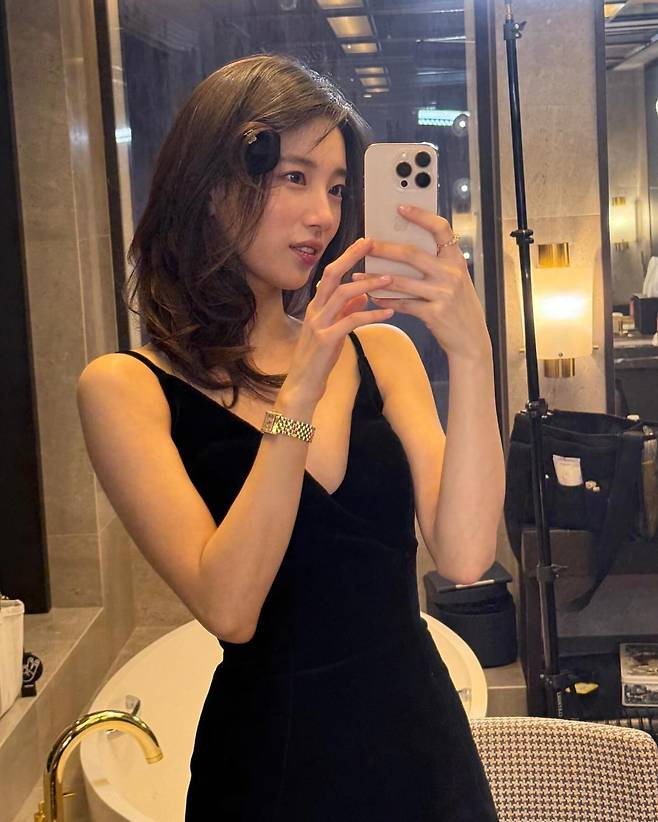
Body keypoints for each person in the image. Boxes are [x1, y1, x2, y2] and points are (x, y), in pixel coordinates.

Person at [77, 53, 504, 821]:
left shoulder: (382, 353)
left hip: (423, 753)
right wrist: (300, 389)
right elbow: (231, 607)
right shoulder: (125, 389)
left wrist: (473, 355)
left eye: (336, 188)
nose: (323, 216)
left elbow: (467, 556)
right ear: (213, 188)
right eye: (295, 178)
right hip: (269, 769)